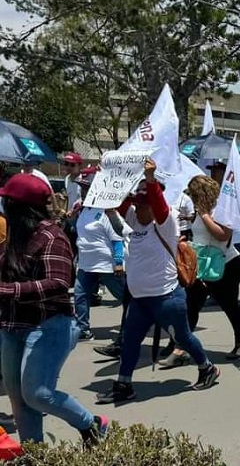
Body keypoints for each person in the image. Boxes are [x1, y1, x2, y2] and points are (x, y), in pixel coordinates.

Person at [96, 160, 220, 403]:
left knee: (183, 337)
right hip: (140, 299)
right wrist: (110, 177)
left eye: (145, 204)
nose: (140, 209)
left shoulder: (167, 219)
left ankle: (207, 368)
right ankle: (124, 385)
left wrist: (150, 179)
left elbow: (160, 207)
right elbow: (117, 203)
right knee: (130, 341)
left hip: (167, 298)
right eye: (138, 204)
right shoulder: (132, 215)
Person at [0, 173, 108, 444]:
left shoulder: (52, 236)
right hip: (12, 325)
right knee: (18, 397)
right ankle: (35, 456)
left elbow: (58, 282)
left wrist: (8, 290)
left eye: (6, 202)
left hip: (49, 324)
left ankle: (91, 424)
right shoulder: (14, 236)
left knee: (37, 393)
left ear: (19, 207)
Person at [160, 175, 240, 368]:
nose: (191, 198)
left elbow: (223, 235)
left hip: (225, 265)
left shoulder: (221, 209)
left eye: (193, 194)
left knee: (229, 305)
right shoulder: (200, 211)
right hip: (202, 265)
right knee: (191, 305)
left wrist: (205, 216)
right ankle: (181, 348)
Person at [73, 170, 127, 340]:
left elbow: (117, 238)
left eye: (86, 188)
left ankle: (137, 323)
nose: (82, 191)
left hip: (106, 264)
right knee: (80, 295)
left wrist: (118, 262)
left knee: (126, 297)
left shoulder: (106, 212)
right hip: (86, 264)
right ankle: (83, 329)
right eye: (81, 188)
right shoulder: (83, 211)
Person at [206, 160, 240, 302]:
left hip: (234, 235)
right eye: (212, 171)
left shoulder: (232, 190)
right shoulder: (211, 190)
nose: (213, 174)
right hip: (216, 233)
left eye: (216, 171)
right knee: (216, 264)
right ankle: (215, 294)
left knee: (239, 266)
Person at [62, 152, 84, 218]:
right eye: (66, 164)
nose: (68, 167)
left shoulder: (84, 180)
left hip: (80, 215)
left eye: (72, 165)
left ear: (80, 166)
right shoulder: (67, 179)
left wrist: (75, 210)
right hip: (69, 215)